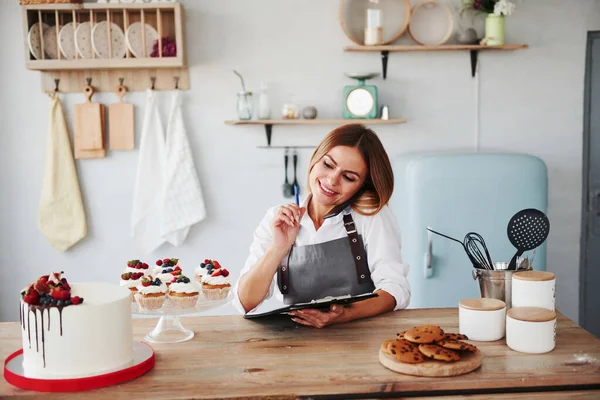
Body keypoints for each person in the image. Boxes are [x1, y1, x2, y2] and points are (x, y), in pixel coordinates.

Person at [232, 124, 410, 328]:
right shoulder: (276, 219)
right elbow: (245, 302)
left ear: (362, 186)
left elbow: (396, 289)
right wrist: (278, 249)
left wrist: (346, 314)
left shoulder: (371, 217)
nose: (332, 180)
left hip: (360, 339)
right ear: (316, 158)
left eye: (349, 177)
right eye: (328, 164)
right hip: (295, 343)